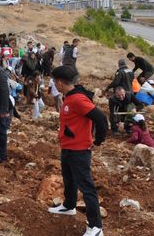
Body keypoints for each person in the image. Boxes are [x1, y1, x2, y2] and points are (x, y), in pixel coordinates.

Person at [47, 65, 107, 236]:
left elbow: (101, 118)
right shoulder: (69, 96)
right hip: (68, 147)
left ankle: (96, 227)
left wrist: (99, 140)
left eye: (54, 82)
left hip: (79, 150)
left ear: (59, 82)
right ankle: (69, 205)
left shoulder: (77, 99)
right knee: (69, 179)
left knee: (87, 188)